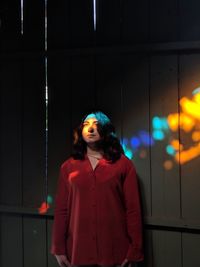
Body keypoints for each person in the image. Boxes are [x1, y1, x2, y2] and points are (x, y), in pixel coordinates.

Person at [51, 111, 144, 267]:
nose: (91, 129)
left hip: (115, 252)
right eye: (86, 125)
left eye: (96, 125)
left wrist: (134, 250)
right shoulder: (68, 167)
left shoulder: (124, 165)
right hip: (78, 251)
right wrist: (58, 248)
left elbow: (132, 209)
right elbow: (61, 209)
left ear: (106, 130)